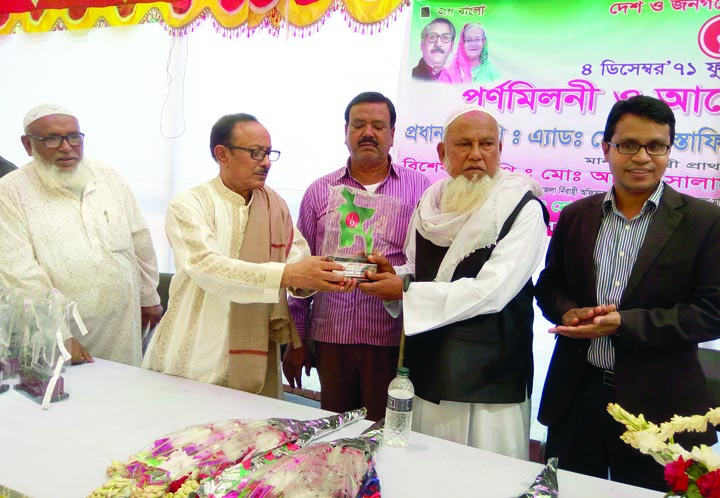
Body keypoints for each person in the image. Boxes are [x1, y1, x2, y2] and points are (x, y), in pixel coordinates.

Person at [536, 95, 720, 490]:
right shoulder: (576, 215)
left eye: (656, 146)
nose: (642, 157)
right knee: (568, 490)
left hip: (661, 405)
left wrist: (624, 324)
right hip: (577, 395)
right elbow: (549, 286)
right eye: (629, 145)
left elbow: (712, 312)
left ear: (670, 149)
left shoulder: (705, 220)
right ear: (606, 148)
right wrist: (568, 313)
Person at [358, 106, 549, 459]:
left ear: (500, 150)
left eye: (487, 144)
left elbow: (491, 291)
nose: (476, 155)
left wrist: (404, 290)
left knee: (485, 478)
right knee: (424, 471)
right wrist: (391, 275)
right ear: (443, 153)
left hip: (490, 380)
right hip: (430, 367)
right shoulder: (431, 201)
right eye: (463, 144)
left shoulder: (523, 208)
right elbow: (417, 268)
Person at [143, 113, 351, 399]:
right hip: (197, 348)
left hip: (257, 349)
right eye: (255, 153)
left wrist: (331, 275)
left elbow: (297, 263)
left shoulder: (274, 207)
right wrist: (289, 275)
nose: (265, 162)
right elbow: (207, 267)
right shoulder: (189, 205)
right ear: (222, 154)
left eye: (268, 153)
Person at [286, 92, 430, 420]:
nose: (368, 133)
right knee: (334, 428)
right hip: (331, 334)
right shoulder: (319, 191)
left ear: (392, 134)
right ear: (346, 132)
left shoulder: (421, 189)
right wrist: (297, 339)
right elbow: (299, 267)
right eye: (359, 125)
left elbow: (430, 266)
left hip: (391, 338)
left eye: (378, 126)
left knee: (384, 429)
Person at [0, 103, 162, 367]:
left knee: (125, 395)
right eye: (52, 139)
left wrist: (148, 297)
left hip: (122, 323)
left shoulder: (109, 178)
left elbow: (139, 238)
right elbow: (18, 272)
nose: (66, 147)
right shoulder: (10, 191)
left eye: (74, 137)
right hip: (65, 331)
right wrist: (56, 334)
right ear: (28, 145)